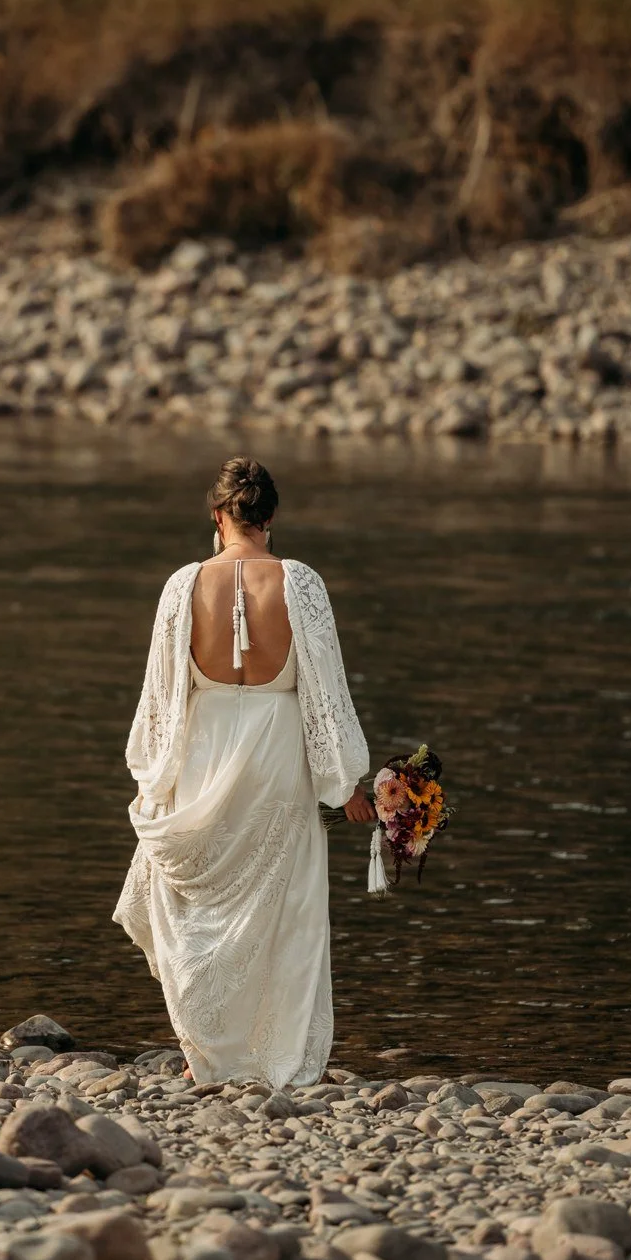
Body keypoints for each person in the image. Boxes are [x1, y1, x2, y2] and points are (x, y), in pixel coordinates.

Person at [113, 457, 374, 1088]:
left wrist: (154, 779)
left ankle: (206, 1052)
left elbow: (161, 695)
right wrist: (347, 783)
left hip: (204, 756)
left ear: (217, 515)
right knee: (285, 910)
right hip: (277, 756)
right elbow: (326, 692)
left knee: (198, 906)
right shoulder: (300, 582)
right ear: (271, 517)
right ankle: (277, 1060)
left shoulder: (183, 586)